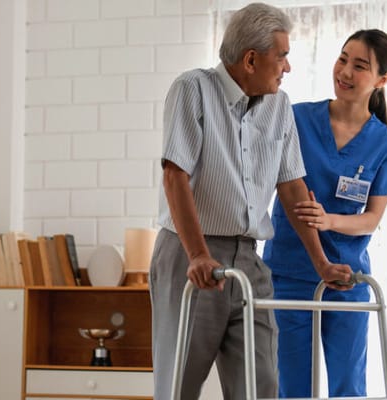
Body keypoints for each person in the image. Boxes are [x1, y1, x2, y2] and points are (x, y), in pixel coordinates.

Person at [149, 3, 354, 399]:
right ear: (250, 59)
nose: (287, 67)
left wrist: (322, 263)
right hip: (189, 254)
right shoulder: (192, 90)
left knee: (260, 385)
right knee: (179, 386)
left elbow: (292, 187)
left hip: (249, 259)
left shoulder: (279, 107)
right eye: (283, 56)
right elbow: (175, 176)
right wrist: (197, 255)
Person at [262, 29, 387, 398]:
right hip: (291, 274)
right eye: (343, 59)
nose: (345, 72)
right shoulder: (296, 119)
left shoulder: (386, 145)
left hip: (347, 277)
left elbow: (371, 219)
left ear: (381, 80)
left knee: (348, 386)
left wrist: (329, 220)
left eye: (360, 66)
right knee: (294, 386)